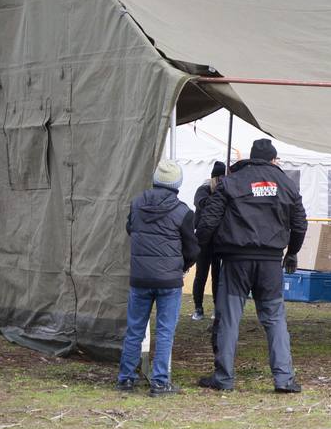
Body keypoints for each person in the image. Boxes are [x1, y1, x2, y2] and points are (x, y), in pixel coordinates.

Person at [195, 138, 306, 393]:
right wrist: (292, 253)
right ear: (273, 160)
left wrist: (195, 251)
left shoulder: (231, 182)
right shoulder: (286, 184)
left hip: (235, 261)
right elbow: (300, 223)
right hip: (270, 262)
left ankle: (223, 378)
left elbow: (208, 221)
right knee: (275, 319)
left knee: (229, 319)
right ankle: (284, 378)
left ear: (251, 157)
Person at [118, 160, 199, 396]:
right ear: (177, 184)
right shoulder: (183, 212)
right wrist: (182, 266)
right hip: (169, 281)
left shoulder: (136, 203)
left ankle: (126, 379)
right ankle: (160, 382)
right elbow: (193, 249)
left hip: (140, 277)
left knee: (134, 329)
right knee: (165, 331)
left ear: (155, 180)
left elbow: (130, 229)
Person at [190, 161, 225, 321]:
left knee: (218, 276)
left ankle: (217, 308)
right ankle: (198, 307)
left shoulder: (223, 191)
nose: (221, 182)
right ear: (214, 178)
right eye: (219, 179)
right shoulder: (203, 190)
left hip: (218, 240)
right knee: (201, 275)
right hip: (203, 241)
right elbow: (201, 203)